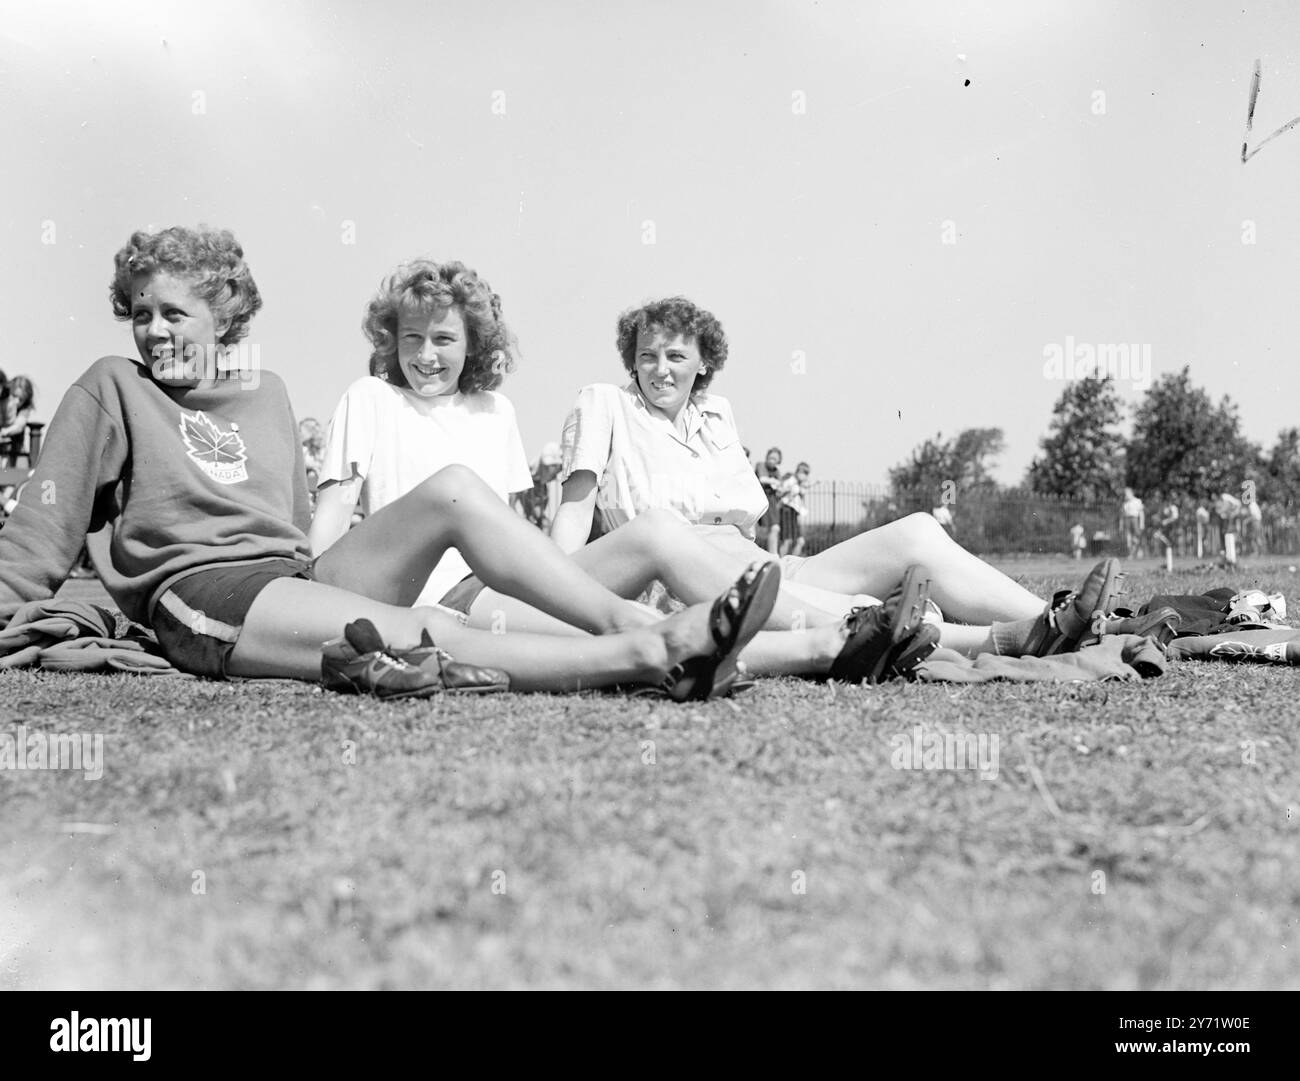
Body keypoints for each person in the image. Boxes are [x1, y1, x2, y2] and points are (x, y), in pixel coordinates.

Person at [0, 226, 775, 700]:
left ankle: (640, 621)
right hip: (204, 593)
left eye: (175, 312)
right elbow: (42, 529)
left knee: (458, 492)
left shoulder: (264, 390)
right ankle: (653, 652)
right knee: (417, 629)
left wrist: (317, 569)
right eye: (140, 313)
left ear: (222, 316)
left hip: (290, 576)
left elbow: (294, 525)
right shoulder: (112, 386)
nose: (154, 331)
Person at [309, 262, 940, 683]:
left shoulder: (493, 410)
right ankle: (842, 638)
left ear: (473, 342)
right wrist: (322, 611)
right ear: (389, 340)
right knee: (635, 623)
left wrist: (560, 575)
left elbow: (504, 529)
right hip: (427, 601)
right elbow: (334, 514)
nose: (424, 355)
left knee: (654, 549)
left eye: (443, 339)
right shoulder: (370, 398)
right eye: (410, 337)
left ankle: (890, 632)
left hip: (487, 590)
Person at [549, 295, 1133, 660]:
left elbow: (747, 525)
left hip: (760, 563)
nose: (659, 369)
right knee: (862, 609)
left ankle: (1077, 621)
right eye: (647, 356)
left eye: (675, 356)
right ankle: (1024, 635)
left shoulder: (717, 416)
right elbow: (575, 507)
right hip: (689, 576)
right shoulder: (605, 404)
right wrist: (550, 594)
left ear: (703, 362)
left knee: (920, 532)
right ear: (631, 360)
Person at [515, 442, 564, 531]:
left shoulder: (541, 485)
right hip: (532, 485)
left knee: (542, 523)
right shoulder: (527, 478)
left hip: (536, 486)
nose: (556, 472)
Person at [0, 374, 35, 466]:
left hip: (16, 450)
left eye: (21, 399)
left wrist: (5, 431)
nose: (17, 401)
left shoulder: (24, 409)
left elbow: (19, 426)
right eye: (14, 396)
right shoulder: (3, 401)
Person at [777, 461, 811, 556]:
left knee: (800, 541)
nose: (806, 477)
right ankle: (782, 562)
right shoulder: (790, 481)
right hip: (786, 510)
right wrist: (789, 491)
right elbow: (780, 492)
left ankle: (792, 563)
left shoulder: (799, 484)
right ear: (799, 472)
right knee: (787, 540)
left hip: (794, 512)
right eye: (805, 473)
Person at [755, 447, 784, 553]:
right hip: (758, 499)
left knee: (775, 528)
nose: (772, 461)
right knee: (755, 530)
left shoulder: (777, 471)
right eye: (771, 458)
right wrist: (774, 481)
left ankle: (773, 554)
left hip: (771, 501)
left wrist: (779, 488)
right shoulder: (761, 465)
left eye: (775, 459)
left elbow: (780, 487)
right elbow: (762, 479)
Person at [1120, 487, 1145, 558]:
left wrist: (1142, 523)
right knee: (1128, 538)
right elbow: (1122, 515)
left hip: (1135, 519)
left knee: (1136, 538)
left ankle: (1137, 551)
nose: (1125, 495)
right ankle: (1131, 553)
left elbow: (1141, 513)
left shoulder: (1137, 501)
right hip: (1127, 520)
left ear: (1131, 493)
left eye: (1126, 494)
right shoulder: (1124, 503)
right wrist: (1121, 525)